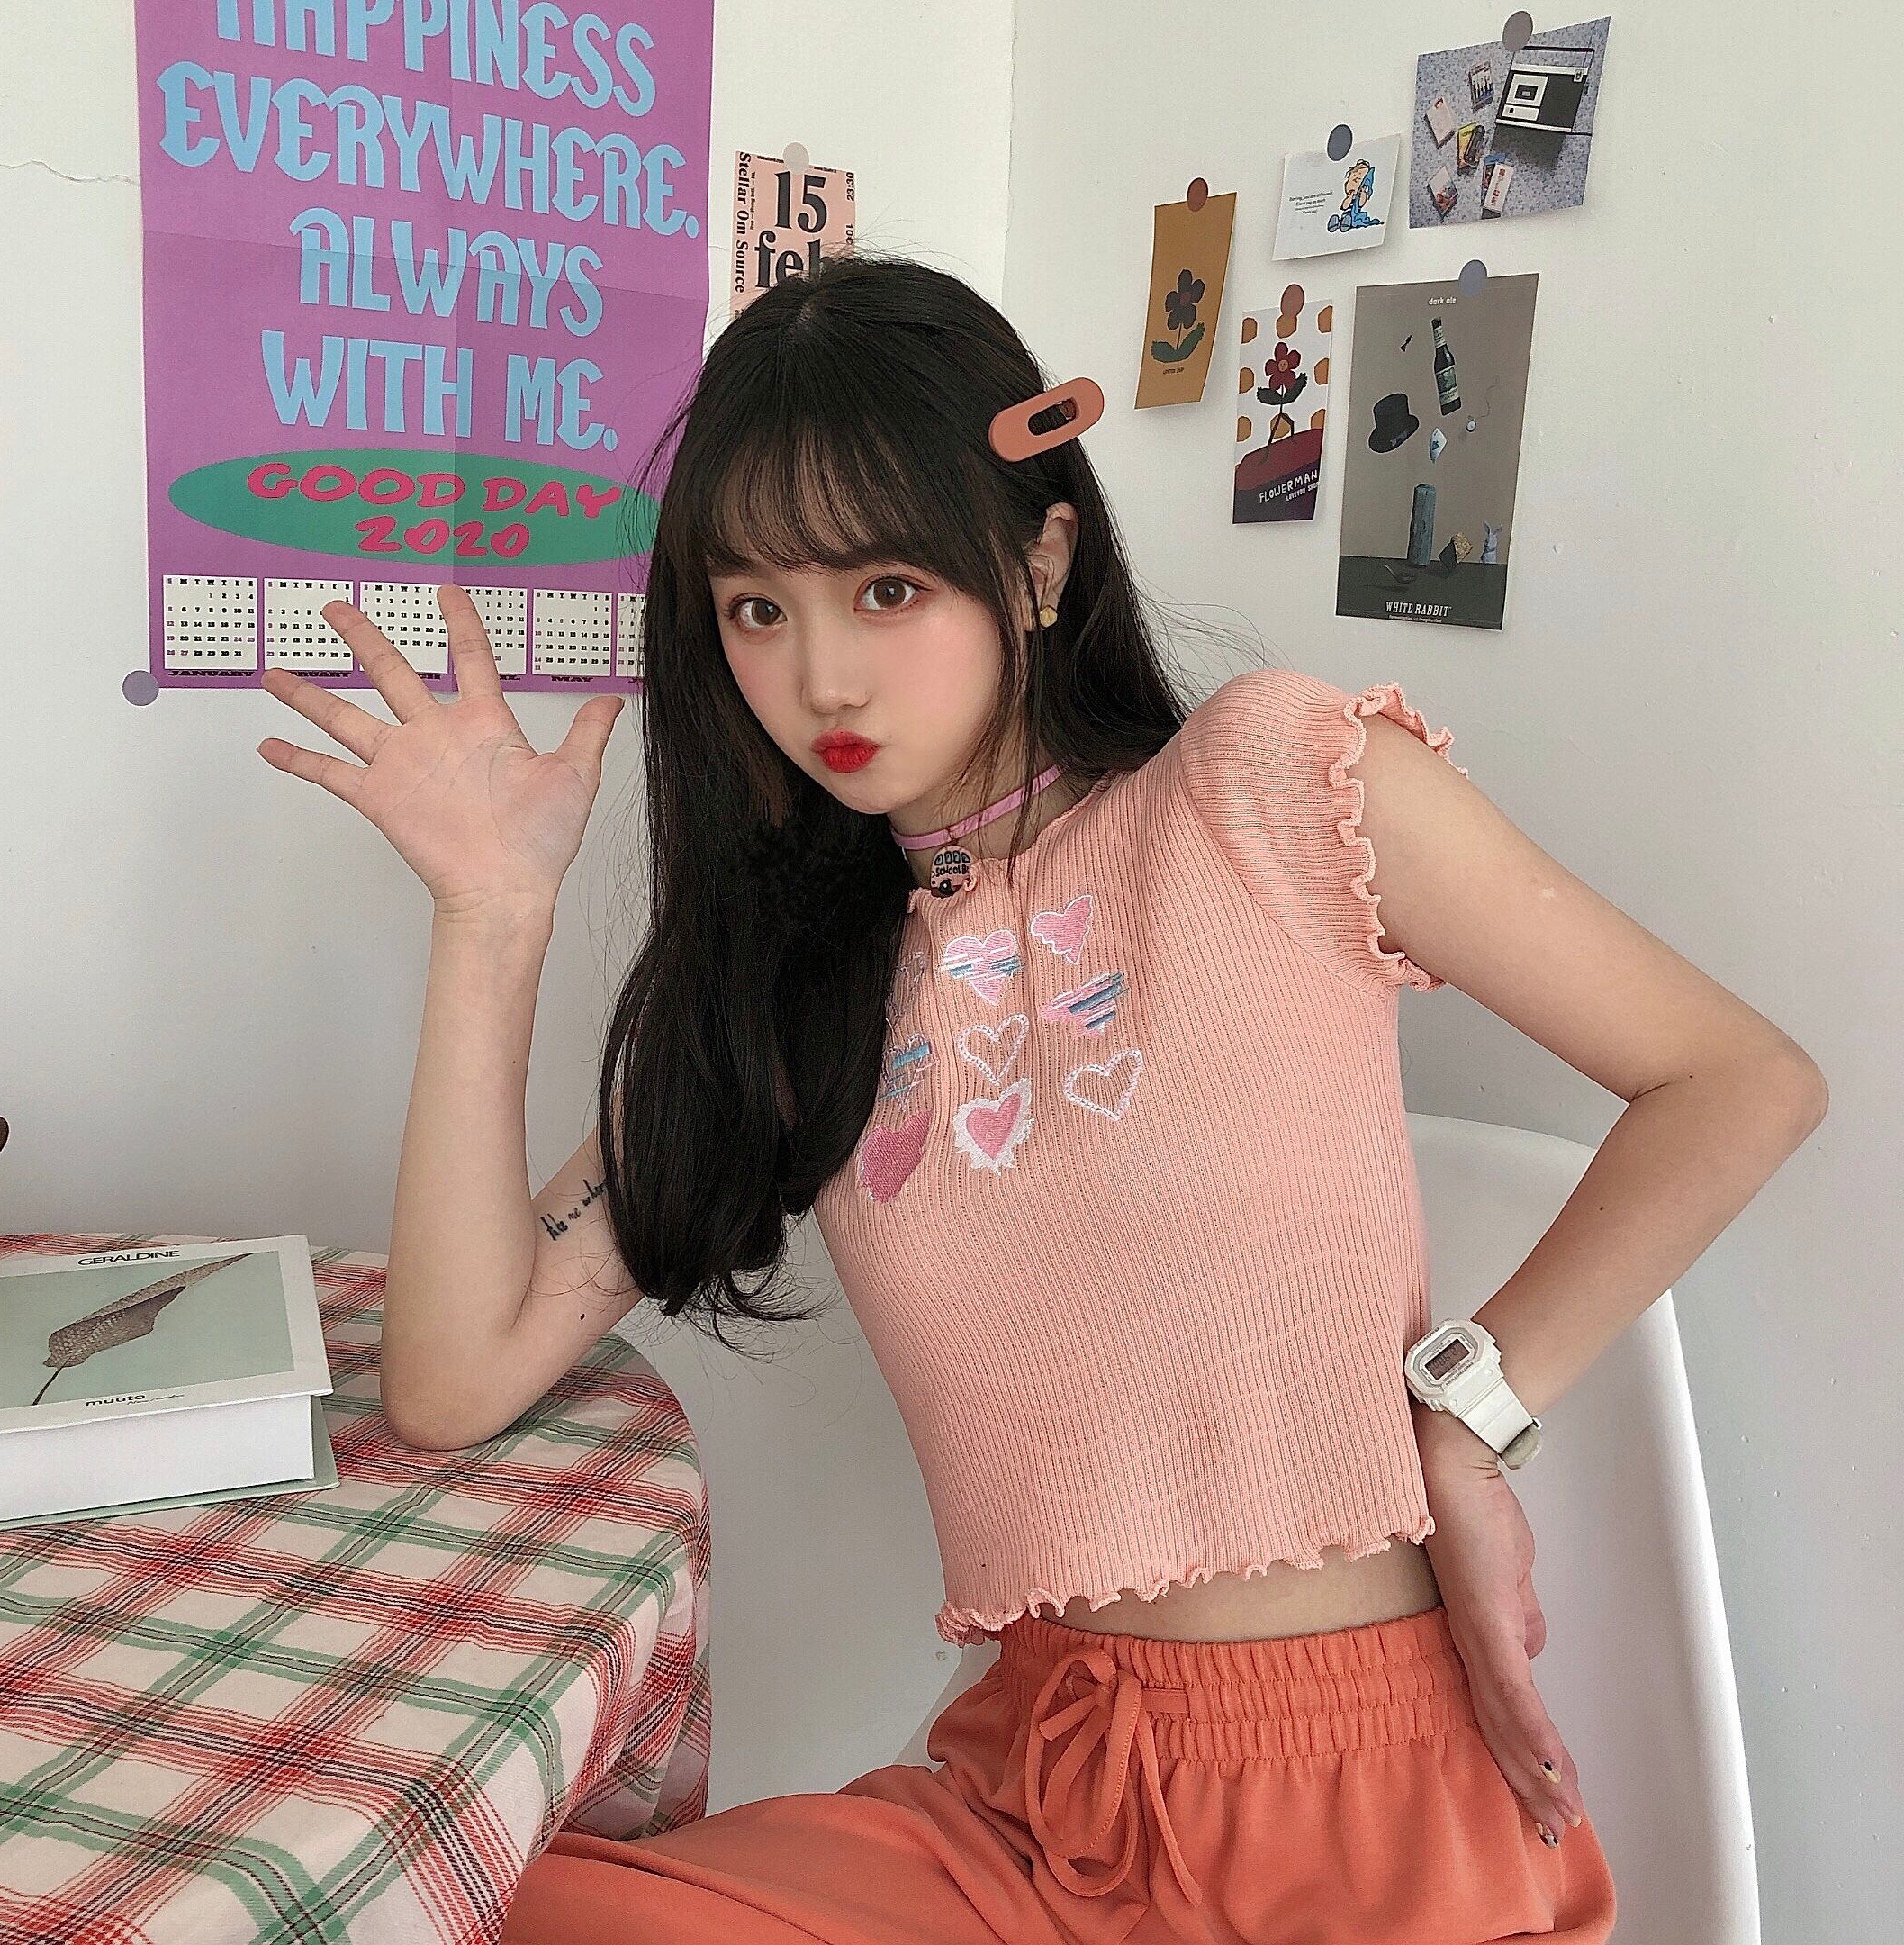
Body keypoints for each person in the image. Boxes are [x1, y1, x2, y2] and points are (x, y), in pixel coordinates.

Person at [256, 253, 1827, 1942]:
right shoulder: (804, 994)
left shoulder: (1269, 785)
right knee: (507, 1919)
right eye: (757, 609)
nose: (824, 680)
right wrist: (492, 920)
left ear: (1038, 559)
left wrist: (1466, 1418)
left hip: (1364, 1824)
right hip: (1037, 1808)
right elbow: (454, 1378)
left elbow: (1737, 1080)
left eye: (885, 588)